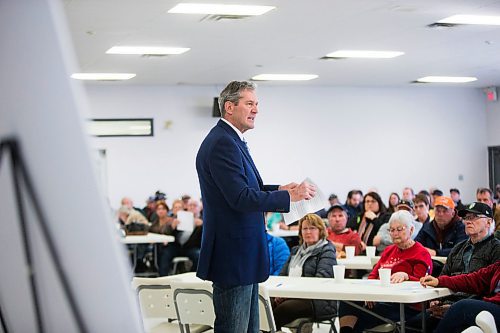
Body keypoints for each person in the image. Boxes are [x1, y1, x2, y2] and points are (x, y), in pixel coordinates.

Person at [195, 80, 316, 333]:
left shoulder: (231, 140)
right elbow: (240, 198)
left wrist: (282, 190)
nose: (256, 110)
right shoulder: (222, 143)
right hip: (234, 255)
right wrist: (288, 199)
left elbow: (248, 189)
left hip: (242, 254)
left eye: (256, 104)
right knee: (234, 328)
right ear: (229, 107)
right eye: (249, 103)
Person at [409, 202, 500, 330]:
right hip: (452, 303)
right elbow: (471, 278)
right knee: (411, 325)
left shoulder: (496, 248)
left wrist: (452, 307)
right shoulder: (458, 248)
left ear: (489, 222)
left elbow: (484, 288)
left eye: (474, 217)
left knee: (458, 311)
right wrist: (438, 300)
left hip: (472, 304)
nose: (468, 221)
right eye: (467, 218)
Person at [339, 210, 432, 333]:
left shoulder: (421, 253)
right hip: (381, 298)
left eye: (399, 229)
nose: (395, 233)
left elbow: (423, 283)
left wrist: (406, 276)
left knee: (363, 314)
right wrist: (370, 293)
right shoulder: (389, 250)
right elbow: (373, 275)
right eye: (392, 230)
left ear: (411, 230)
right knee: (348, 301)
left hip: (405, 305)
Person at [272, 214, 337, 330]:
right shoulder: (296, 250)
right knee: (266, 304)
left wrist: (289, 294)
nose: (308, 232)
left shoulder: (327, 250)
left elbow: (320, 280)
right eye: (305, 228)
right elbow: (282, 275)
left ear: (320, 231)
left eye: (312, 228)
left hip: (317, 300)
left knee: (282, 310)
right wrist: (280, 292)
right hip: (292, 295)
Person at [420, 261, 500, 333]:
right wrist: (439, 281)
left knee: (462, 307)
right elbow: (475, 279)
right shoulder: (497, 266)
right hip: (482, 305)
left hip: (488, 304)